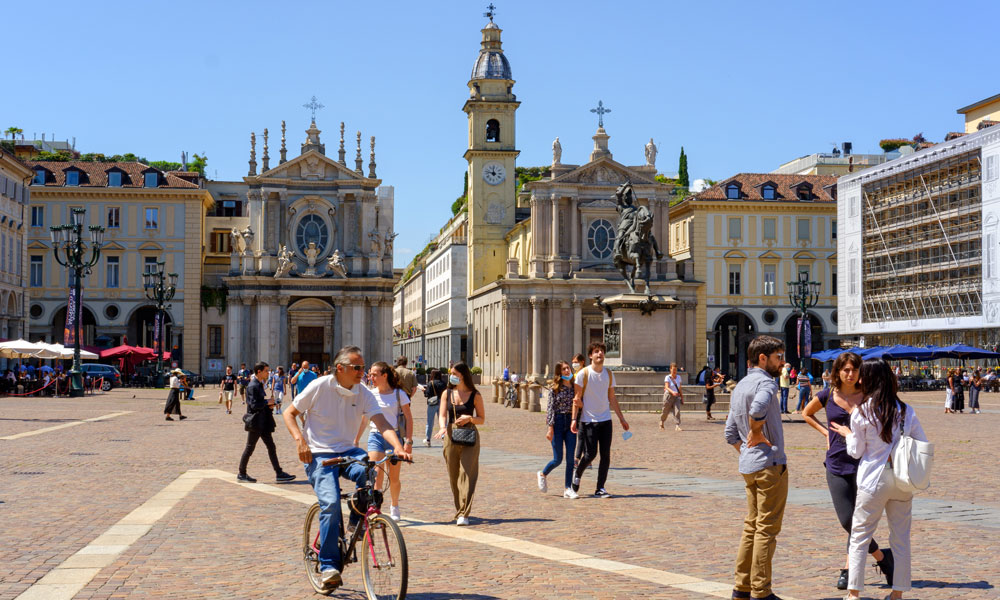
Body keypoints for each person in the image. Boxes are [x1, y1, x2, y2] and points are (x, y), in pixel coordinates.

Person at [282, 346, 411, 590]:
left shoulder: (363, 392)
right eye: (357, 368)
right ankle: (329, 565)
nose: (363, 372)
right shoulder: (320, 386)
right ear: (339, 368)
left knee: (368, 472)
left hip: (348, 451)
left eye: (363, 368)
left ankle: (355, 524)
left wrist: (398, 446)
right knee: (330, 504)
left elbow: (382, 422)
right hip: (319, 454)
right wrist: (300, 441)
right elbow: (289, 413)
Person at [830, 358, 928, 600]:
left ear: (871, 379)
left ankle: (854, 593)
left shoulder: (862, 411)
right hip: (902, 479)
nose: (860, 378)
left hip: (873, 478)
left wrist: (848, 434)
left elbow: (855, 451)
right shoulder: (905, 410)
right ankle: (897, 593)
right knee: (901, 538)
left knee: (860, 535)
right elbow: (922, 442)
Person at [801, 352, 892, 591]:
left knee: (858, 519)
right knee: (847, 520)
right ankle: (883, 558)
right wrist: (826, 434)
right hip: (837, 463)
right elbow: (806, 414)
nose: (850, 374)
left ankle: (849, 568)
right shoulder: (828, 394)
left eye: (854, 370)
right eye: (846, 370)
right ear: (838, 372)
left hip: (864, 464)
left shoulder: (868, 394)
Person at [723, 335, 787, 600]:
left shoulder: (739, 386)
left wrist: (748, 449)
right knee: (766, 528)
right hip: (770, 464)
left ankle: (742, 587)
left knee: (751, 526)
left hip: (749, 466)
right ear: (763, 358)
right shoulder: (766, 383)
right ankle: (762, 591)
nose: (782, 362)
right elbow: (759, 408)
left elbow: (729, 433)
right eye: (778, 357)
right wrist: (758, 432)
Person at [570, 342, 630, 499]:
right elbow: (576, 398)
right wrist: (574, 419)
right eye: (596, 351)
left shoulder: (609, 374)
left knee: (605, 455)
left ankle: (600, 488)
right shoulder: (583, 374)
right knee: (590, 455)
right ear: (590, 355)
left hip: (605, 420)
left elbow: (612, 398)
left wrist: (621, 419)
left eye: (602, 351)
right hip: (588, 420)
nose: (600, 354)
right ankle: (577, 474)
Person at [358, 361, 413, 522]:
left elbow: (409, 418)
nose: (371, 377)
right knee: (376, 476)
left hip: (394, 437)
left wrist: (408, 441)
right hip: (375, 436)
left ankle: (394, 505)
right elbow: (364, 420)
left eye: (374, 374)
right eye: (370, 374)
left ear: (385, 375)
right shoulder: (371, 394)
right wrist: (355, 439)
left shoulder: (399, 394)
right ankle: (377, 509)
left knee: (394, 478)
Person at [433, 362, 485, 524]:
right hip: (450, 434)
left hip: (470, 434)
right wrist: (442, 427)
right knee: (454, 474)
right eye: (451, 373)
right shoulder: (446, 393)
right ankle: (459, 508)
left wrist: (469, 418)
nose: (452, 376)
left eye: (455, 373)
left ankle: (464, 513)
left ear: (463, 375)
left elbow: (482, 419)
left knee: (468, 473)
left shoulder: (475, 395)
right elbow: (442, 414)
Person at [238, 361, 296, 485]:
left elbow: (259, 402)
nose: (268, 373)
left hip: (263, 421)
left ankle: (279, 473)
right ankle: (241, 473)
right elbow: (253, 405)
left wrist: (269, 405)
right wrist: (267, 402)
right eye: (266, 371)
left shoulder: (259, 384)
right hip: (256, 422)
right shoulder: (253, 385)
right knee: (249, 448)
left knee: (271, 446)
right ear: (259, 372)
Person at [538, 361, 577, 497]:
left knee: (571, 459)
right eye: (564, 369)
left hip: (571, 423)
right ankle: (543, 474)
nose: (567, 371)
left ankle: (568, 489)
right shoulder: (555, 388)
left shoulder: (575, 387)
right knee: (558, 459)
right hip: (558, 422)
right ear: (559, 373)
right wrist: (550, 427)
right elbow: (550, 409)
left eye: (568, 368)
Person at [422, 369, 445, 446]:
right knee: (443, 421)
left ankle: (428, 439)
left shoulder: (430, 383)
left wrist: (424, 390)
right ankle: (444, 438)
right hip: (442, 403)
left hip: (432, 403)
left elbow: (427, 394)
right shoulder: (443, 383)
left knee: (430, 422)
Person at [660, 362, 684, 431]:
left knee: (677, 410)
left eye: (676, 370)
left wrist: (682, 397)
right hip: (669, 396)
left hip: (676, 396)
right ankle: (661, 422)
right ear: (670, 369)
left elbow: (680, 388)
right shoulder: (667, 377)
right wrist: (672, 392)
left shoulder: (679, 377)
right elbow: (666, 387)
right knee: (665, 411)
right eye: (673, 369)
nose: (674, 371)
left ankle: (677, 425)